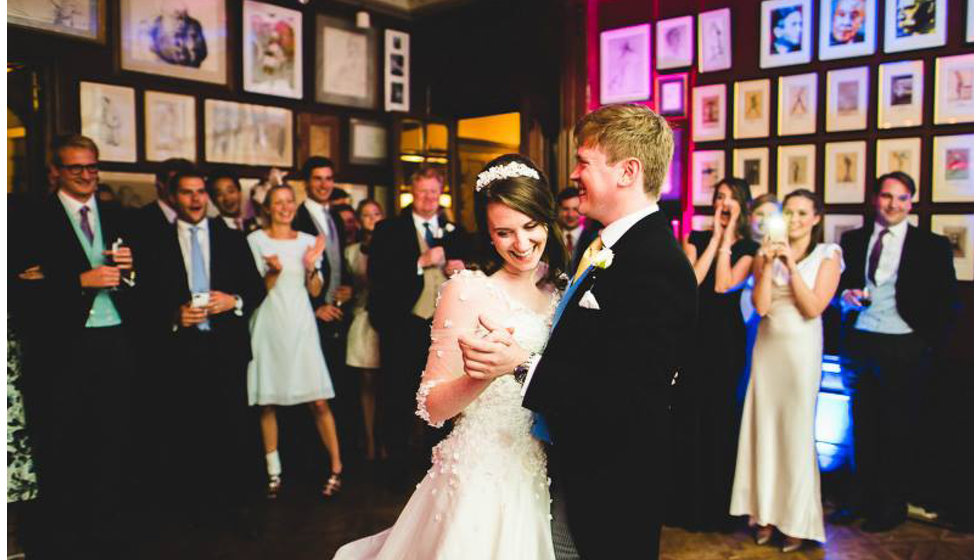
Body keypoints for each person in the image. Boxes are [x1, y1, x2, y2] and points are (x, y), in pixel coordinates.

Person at [460, 104, 697, 559]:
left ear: (627, 172)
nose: (573, 173)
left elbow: (629, 396)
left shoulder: (656, 264)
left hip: (614, 482)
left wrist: (521, 366)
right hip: (576, 466)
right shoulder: (605, 244)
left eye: (584, 161)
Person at [334, 154, 564, 560]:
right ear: (488, 235)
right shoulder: (467, 291)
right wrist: (484, 375)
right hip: (478, 472)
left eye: (531, 226)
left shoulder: (560, 291)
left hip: (537, 473)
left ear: (546, 219)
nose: (522, 244)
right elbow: (432, 405)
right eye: (504, 233)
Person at [28, 134, 137, 555]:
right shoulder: (31, 216)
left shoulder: (117, 214)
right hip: (63, 346)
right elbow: (21, 285)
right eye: (77, 168)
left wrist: (131, 271)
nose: (87, 176)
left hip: (115, 339)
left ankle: (108, 531)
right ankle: (67, 538)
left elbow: (137, 280)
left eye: (92, 167)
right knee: (66, 439)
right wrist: (77, 280)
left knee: (113, 437)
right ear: (56, 171)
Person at [138, 169, 266, 523]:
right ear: (172, 198)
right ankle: (192, 506)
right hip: (180, 351)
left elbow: (256, 288)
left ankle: (236, 504)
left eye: (200, 192)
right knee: (186, 427)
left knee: (232, 427)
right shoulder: (156, 241)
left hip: (226, 348)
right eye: (187, 193)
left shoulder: (231, 238)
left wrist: (233, 301)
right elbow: (142, 299)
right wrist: (174, 315)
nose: (195, 199)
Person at [834, 172, 957, 532]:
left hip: (905, 345)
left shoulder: (930, 245)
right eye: (887, 196)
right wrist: (846, 297)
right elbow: (838, 285)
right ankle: (856, 500)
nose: (893, 204)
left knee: (897, 429)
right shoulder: (852, 240)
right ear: (876, 198)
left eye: (902, 198)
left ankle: (889, 507)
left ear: (911, 203)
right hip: (859, 342)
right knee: (861, 427)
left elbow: (946, 301)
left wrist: (925, 343)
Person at [730, 190, 842, 552]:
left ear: (815, 218)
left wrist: (791, 265)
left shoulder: (829, 255)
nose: (794, 220)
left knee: (794, 434)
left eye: (801, 213)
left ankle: (796, 520)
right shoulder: (766, 254)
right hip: (767, 350)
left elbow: (813, 307)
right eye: (788, 213)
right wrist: (765, 263)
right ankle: (762, 515)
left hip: (800, 352)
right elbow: (761, 307)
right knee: (762, 430)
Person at [368, 166, 469, 488]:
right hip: (404, 326)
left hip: (443, 329)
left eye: (434, 192)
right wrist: (418, 263)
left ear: (442, 194)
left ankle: (434, 466)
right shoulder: (389, 229)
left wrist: (461, 269)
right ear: (412, 192)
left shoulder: (455, 231)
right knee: (397, 397)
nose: (428, 198)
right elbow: (378, 279)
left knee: (440, 395)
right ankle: (396, 469)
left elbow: (472, 273)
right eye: (422, 191)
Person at [670, 177, 758, 532]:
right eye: (720, 197)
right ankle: (682, 504)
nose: (723, 203)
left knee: (719, 417)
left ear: (741, 206)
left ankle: (714, 508)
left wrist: (729, 238)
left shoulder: (751, 248)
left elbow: (723, 285)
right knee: (688, 415)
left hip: (725, 340)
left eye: (731, 199)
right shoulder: (697, 238)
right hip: (693, 335)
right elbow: (692, 280)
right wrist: (716, 238)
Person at [247, 184, 345, 498]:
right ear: (268, 207)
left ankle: (336, 467)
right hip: (269, 322)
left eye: (290, 201)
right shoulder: (255, 241)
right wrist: (271, 273)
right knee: (268, 401)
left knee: (318, 399)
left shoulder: (307, 241)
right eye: (278, 202)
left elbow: (315, 291)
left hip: (301, 324)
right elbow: (251, 290)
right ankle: (273, 472)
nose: (285, 207)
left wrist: (311, 266)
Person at [291, 157, 357, 457]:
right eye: (317, 178)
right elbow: (295, 271)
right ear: (307, 182)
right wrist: (316, 306)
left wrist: (347, 288)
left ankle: (336, 453)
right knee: (312, 390)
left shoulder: (334, 217)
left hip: (337, 312)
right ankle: (314, 456)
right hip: (310, 315)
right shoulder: (297, 217)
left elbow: (337, 261)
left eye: (328, 178)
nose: (324, 184)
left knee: (334, 385)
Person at [345, 199, 385, 461]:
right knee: (366, 383)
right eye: (366, 215)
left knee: (387, 384)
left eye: (375, 214)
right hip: (361, 318)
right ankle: (369, 438)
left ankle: (387, 440)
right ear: (359, 220)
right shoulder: (351, 252)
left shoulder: (390, 244)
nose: (371, 218)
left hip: (386, 319)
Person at [556, 186, 598, 272]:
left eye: (575, 209)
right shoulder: (551, 238)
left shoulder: (594, 239)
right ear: (558, 210)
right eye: (565, 209)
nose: (570, 215)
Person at [208, 168, 259, 233]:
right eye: (219, 194)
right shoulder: (211, 229)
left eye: (231, 191)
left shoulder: (255, 225)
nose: (227, 198)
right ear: (213, 200)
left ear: (240, 192)